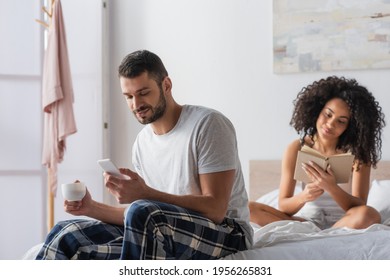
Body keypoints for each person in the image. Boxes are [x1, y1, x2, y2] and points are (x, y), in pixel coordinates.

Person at [36, 50, 253, 260]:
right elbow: (137, 217)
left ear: (166, 85)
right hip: (162, 228)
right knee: (66, 234)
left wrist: (146, 193)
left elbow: (215, 209)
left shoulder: (208, 125)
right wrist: (90, 208)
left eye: (143, 93)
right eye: (128, 96)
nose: (136, 104)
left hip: (227, 233)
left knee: (143, 211)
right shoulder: (142, 142)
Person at [249, 76, 385, 230]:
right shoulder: (296, 148)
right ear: (317, 110)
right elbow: (284, 205)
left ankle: (324, 236)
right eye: (328, 114)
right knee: (248, 208)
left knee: (369, 214)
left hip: (345, 221)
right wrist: (304, 196)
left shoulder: (358, 153)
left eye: (341, 121)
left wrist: (331, 186)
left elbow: (360, 205)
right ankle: (318, 235)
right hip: (307, 221)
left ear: (351, 126)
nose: (330, 124)